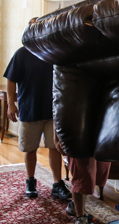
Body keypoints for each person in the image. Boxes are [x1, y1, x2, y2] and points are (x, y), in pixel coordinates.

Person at [4, 18, 71, 201]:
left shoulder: (54, 52)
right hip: (29, 108)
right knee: (30, 148)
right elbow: (10, 79)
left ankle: (57, 184)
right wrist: (11, 103)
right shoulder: (22, 54)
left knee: (54, 147)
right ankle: (31, 181)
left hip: (53, 111)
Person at [56, 133, 112, 224]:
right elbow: (58, 116)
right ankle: (80, 217)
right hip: (78, 135)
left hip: (100, 136)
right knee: (81, 175)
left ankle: (74, 206)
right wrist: (57, 137)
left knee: (97, 173)